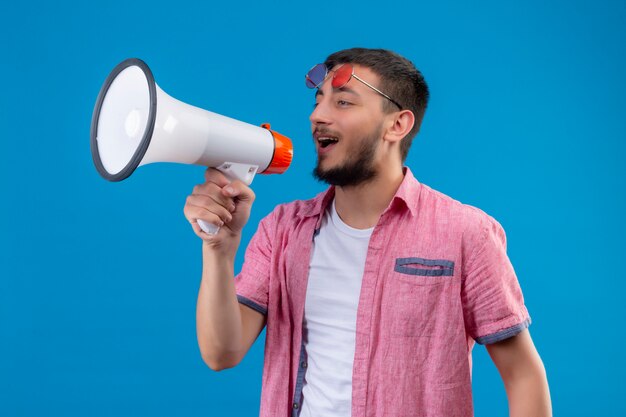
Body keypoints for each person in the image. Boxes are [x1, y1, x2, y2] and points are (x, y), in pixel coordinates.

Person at [183, 48, 552, 417]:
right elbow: (221, 352)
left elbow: (522, 374)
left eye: (343, 102)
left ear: (397, 125)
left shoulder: (465, 233)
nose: (317, 116)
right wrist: (219, 248)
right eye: (318, 101)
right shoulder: (282, 231)